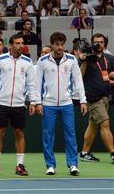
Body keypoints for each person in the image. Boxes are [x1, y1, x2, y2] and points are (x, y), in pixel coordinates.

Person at [35, 32, 87, 176]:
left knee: (70, 134)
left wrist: (83, 100)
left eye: (62, 44)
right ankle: (50, 165)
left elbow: (78, 81)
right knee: (48, 135)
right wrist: (37, 102)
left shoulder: (71, 60)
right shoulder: (43, 61)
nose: (59, 47)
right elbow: (37, 83)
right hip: (48, 104)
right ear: (52, 44)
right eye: (57, 44)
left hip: (67, 103)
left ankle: (73, 165)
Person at [0, 34, 37, 176]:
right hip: (2, 103)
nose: (21, 45)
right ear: (10, 46)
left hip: (19, 104)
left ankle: (20, 165)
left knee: (19, 133)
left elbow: (31, 84)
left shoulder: (27, 62)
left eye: (22, 43)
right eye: (17, 43)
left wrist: (32, 101)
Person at [79, 33, 114, 163]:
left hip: (105, 96)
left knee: (92, 125)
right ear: (92, 43)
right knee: (105, 123)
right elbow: (79, 76)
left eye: (101, 42)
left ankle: (84, 153)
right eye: (96, 42)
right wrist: (85, 61)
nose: (99, 44)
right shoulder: (87, 58)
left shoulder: (110, 58)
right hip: (93, 97)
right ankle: (113, 153)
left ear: (105, 44)